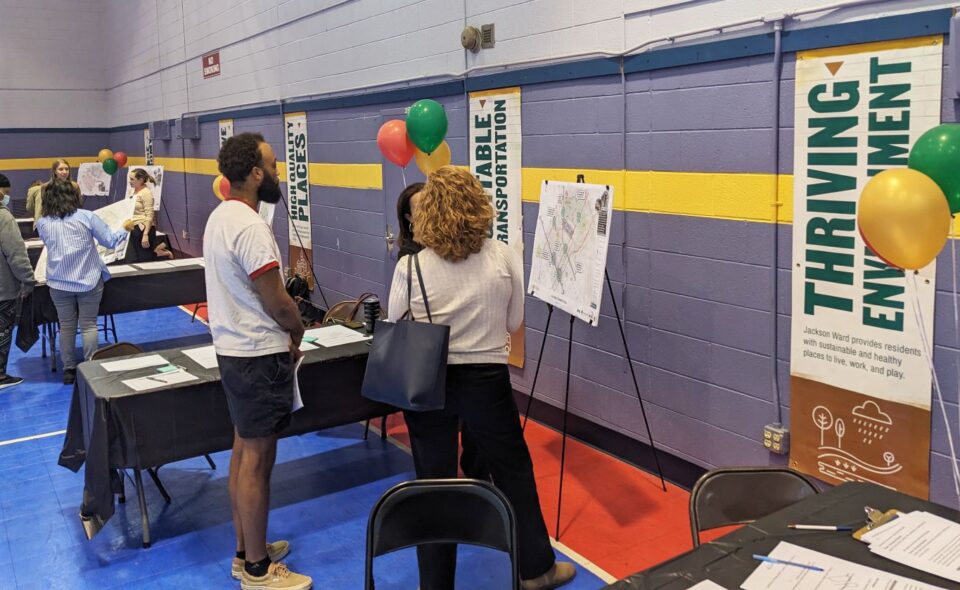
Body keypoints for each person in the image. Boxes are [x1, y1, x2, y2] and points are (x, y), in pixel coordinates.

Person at [387, 166, 576, 590]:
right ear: (479, 206)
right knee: (513, 471)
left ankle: (436, 585)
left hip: (427, 380)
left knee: (432, 483)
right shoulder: (504, 256)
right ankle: (536, 570)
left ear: (428, 210)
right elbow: (514, 322)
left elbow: (394, 320)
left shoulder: (412, 266)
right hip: (487, 381)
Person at [204, 132, 312, 590]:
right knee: (258, 460)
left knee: (243, 451)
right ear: (254, 173)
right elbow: (278, 302)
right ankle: (257, 571)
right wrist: (298, 328)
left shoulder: (220, 217)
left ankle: (248, 549)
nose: (277, 169)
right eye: (272, 162)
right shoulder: (249, 226)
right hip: (257, 355)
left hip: (235, 352)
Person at [396, 181, 491, 482]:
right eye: (420, 208)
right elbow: (400, 319)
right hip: (436, 363)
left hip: (461, 363)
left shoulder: (471, 255)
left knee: (464, 438)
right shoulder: (409, 261)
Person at [36, 180, 135, 385]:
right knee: (89, 325)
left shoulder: (43, 223)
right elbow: (109, 240)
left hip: (58, 283)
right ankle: (91, 366)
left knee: (66, 327)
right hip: (89, 280)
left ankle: (69, 370)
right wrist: (124, 228)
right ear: (72, 196)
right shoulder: (86, 217)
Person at [0, 174, 34, 390]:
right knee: (2, 331)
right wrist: (28, 280)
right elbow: (15, 253)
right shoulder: (3, 217)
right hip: (3, 289)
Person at [27, 159, 80, 228]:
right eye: (61, 169)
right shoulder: (45, 187)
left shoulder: (75, 186)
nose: (64, 172)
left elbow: (77, 205)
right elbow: (42, 208)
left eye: (67, 169)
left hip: (69, 221)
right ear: (55, 171)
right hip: (50, 222)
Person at [124, 168, 158, 263]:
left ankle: (160, 251)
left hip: (143, 229)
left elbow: (149, 215)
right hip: (133, 228)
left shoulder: (146, 193)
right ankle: (160, 250)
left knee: (145, 260)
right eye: (129, 179)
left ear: (141, 180)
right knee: (131, 259)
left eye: (132, 179)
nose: (129, 181)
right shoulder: (133, 192)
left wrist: (145, 234)